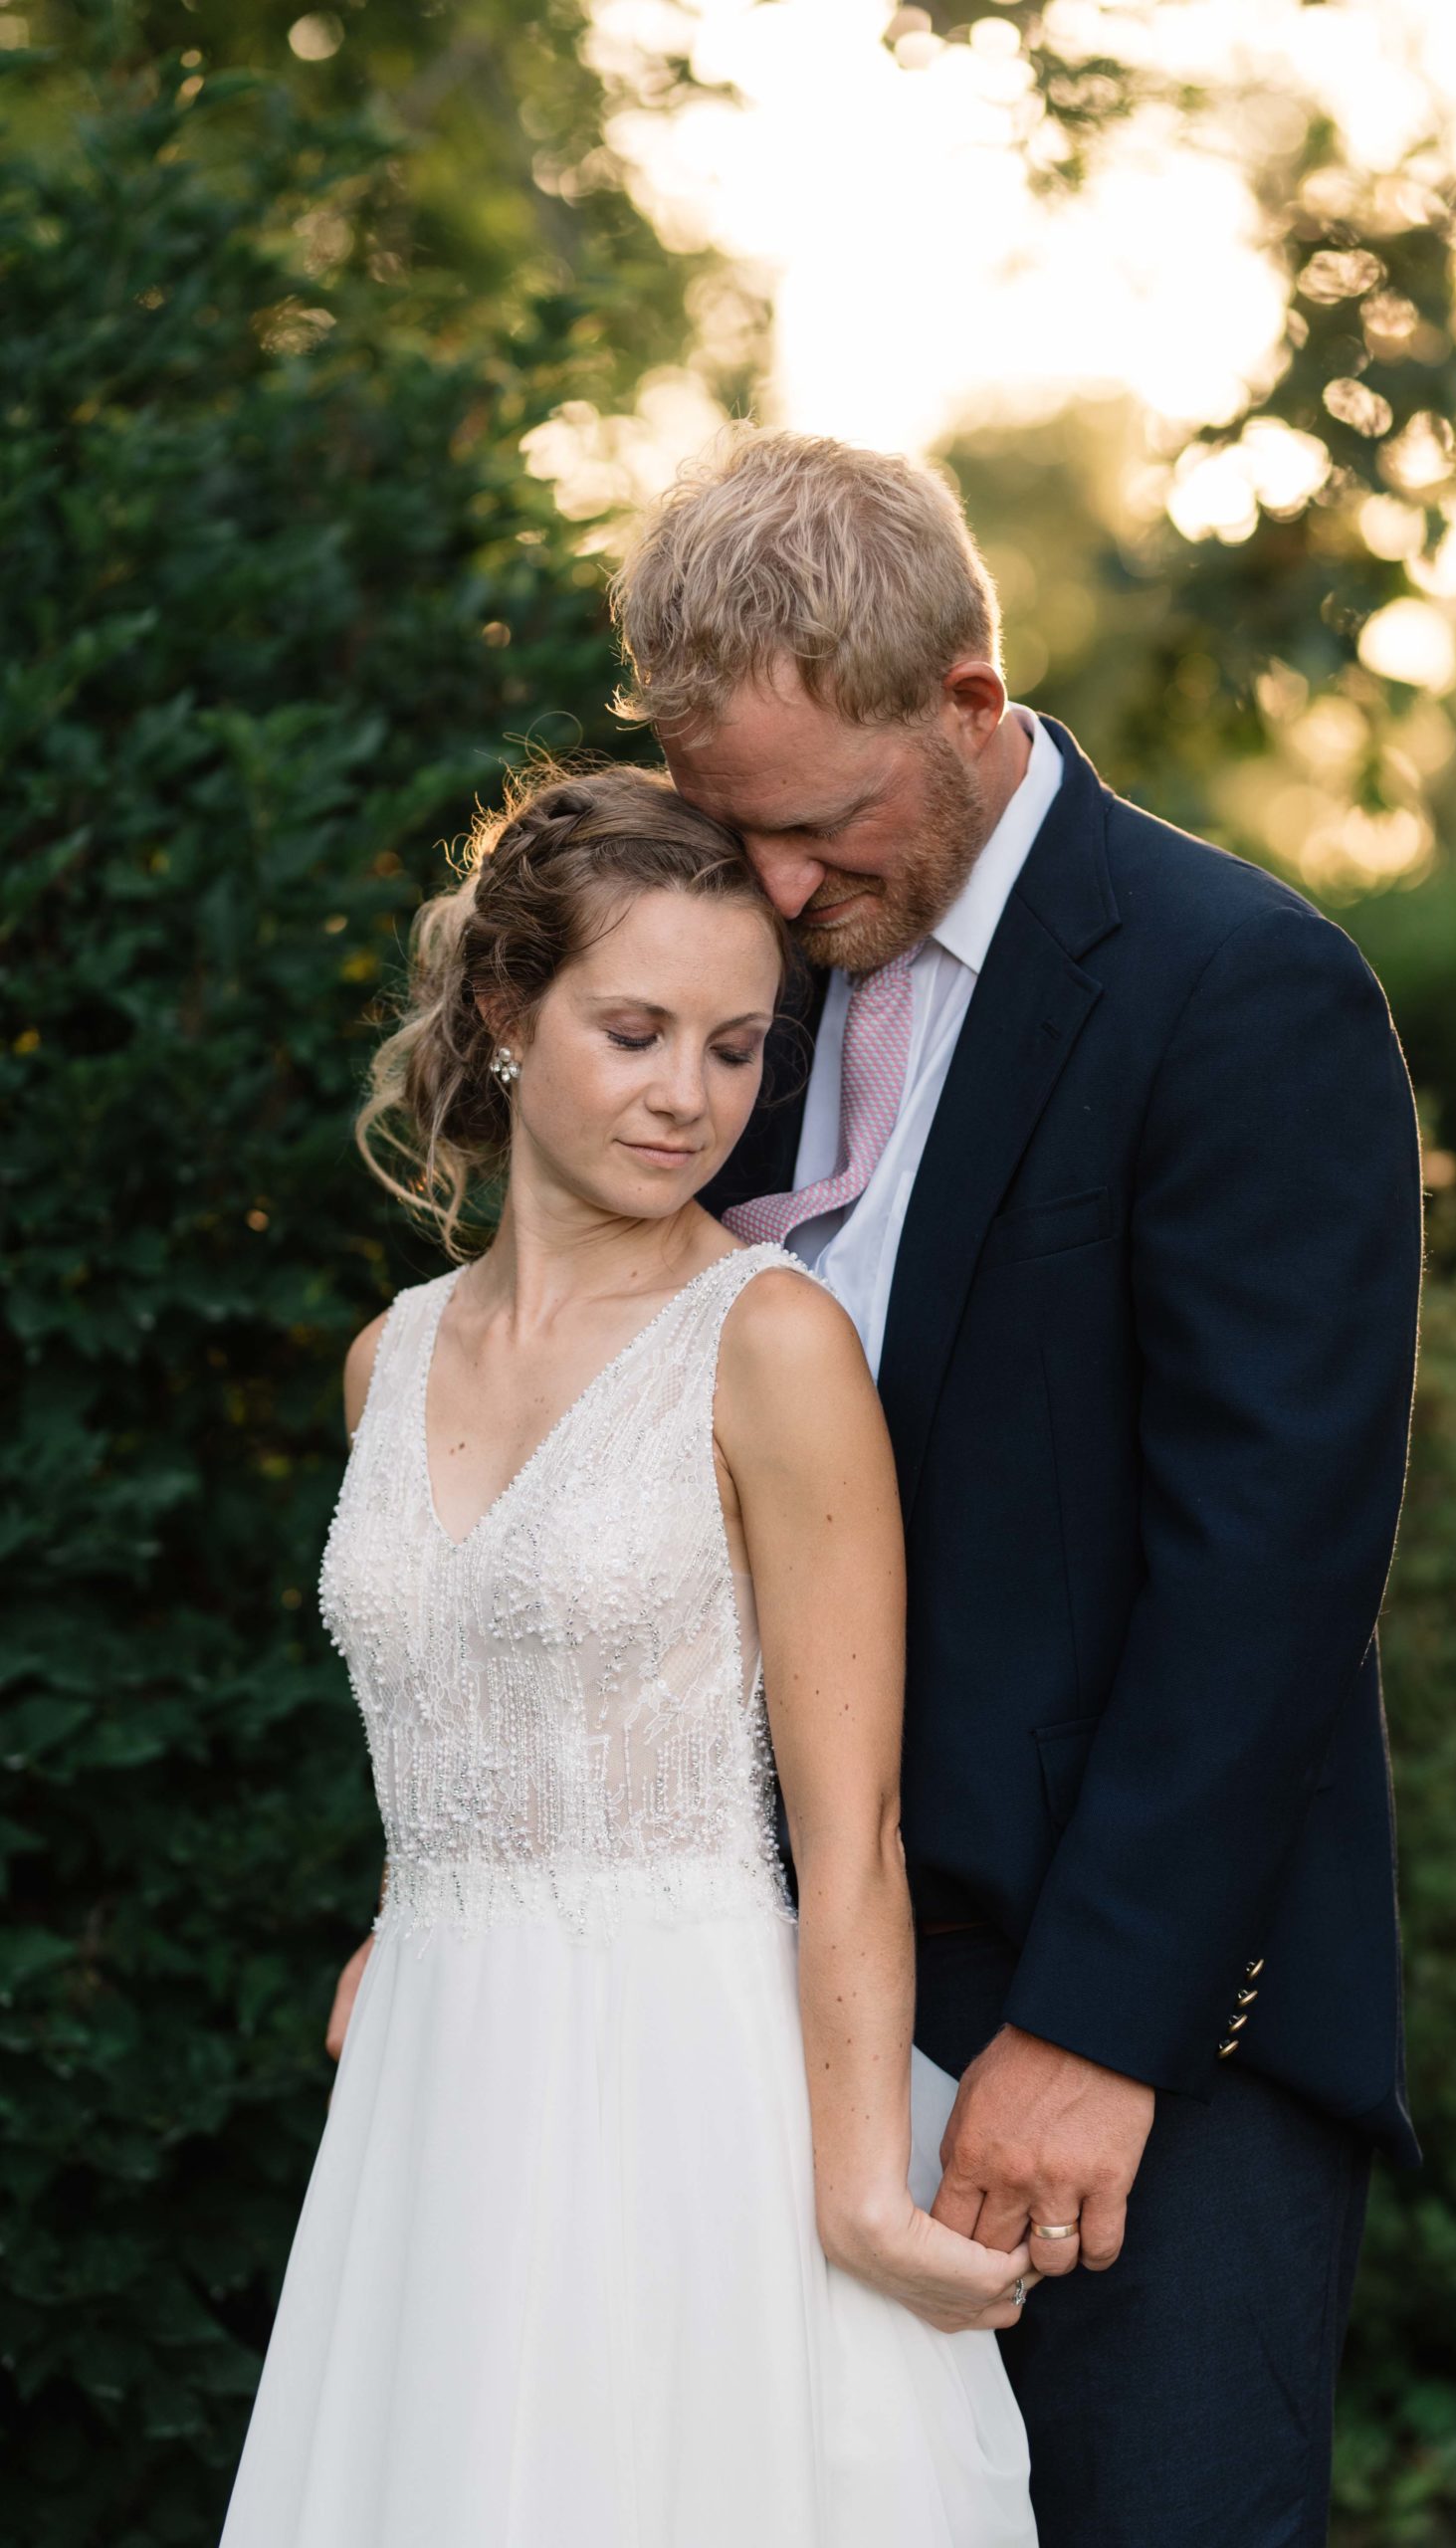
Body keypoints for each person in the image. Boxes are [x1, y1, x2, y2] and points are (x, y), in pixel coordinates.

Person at [612, 428, 1425, 2547]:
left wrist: (1093, 2029)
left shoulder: (1233, 991)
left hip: (1127, 2020)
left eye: (818, 823)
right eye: (730, 828)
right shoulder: (734, 1003)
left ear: (970, 703)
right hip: (769, 1991)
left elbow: (1266, 1569)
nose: (775, 890)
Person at [219, 763, 1039, 2548]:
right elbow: (467, 1695)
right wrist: (410, 1910)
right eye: (637, 1029)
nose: (690, 1097)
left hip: (687, 2094)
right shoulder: (390, 1360)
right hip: (441, 2091)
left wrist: (854, 2196)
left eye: (738, 1048)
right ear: (509, 1014)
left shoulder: (769, 1344)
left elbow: (852, 1830)